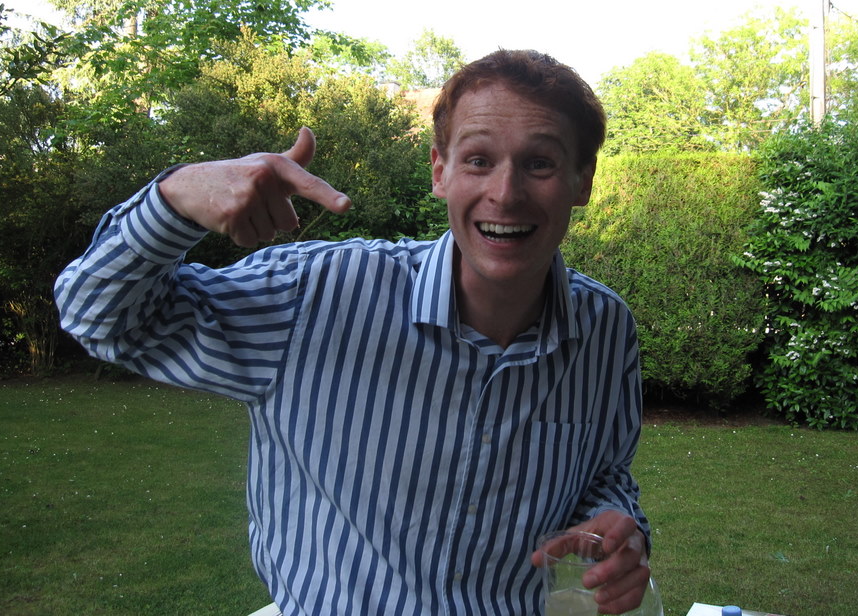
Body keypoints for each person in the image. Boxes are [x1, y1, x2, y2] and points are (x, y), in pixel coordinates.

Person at [55, 49, 652, 615]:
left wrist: (619, 528)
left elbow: (604, 472)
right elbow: (98, 314)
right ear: (440, 172)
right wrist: (173, 201)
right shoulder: (314, 297)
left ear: (582, 181)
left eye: (540, 163)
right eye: (478, 160)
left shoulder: (604, 330)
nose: (505, 192)